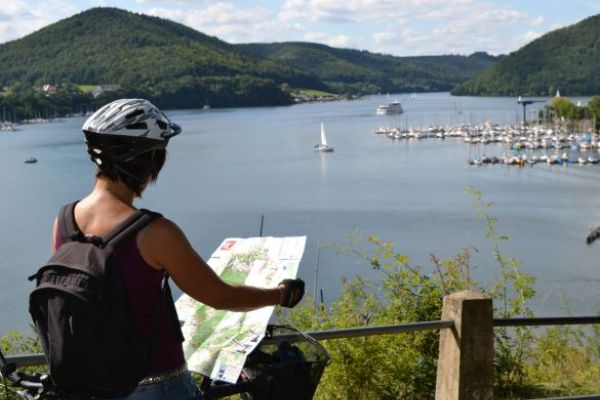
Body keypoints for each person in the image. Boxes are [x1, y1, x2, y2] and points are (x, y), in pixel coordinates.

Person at [51, 98, 305, 400]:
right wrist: (280, 294)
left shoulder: (64, 221)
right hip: (157, 387)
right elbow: (220, 296)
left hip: (94, 387)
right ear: (148, 159)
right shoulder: (154, 233)